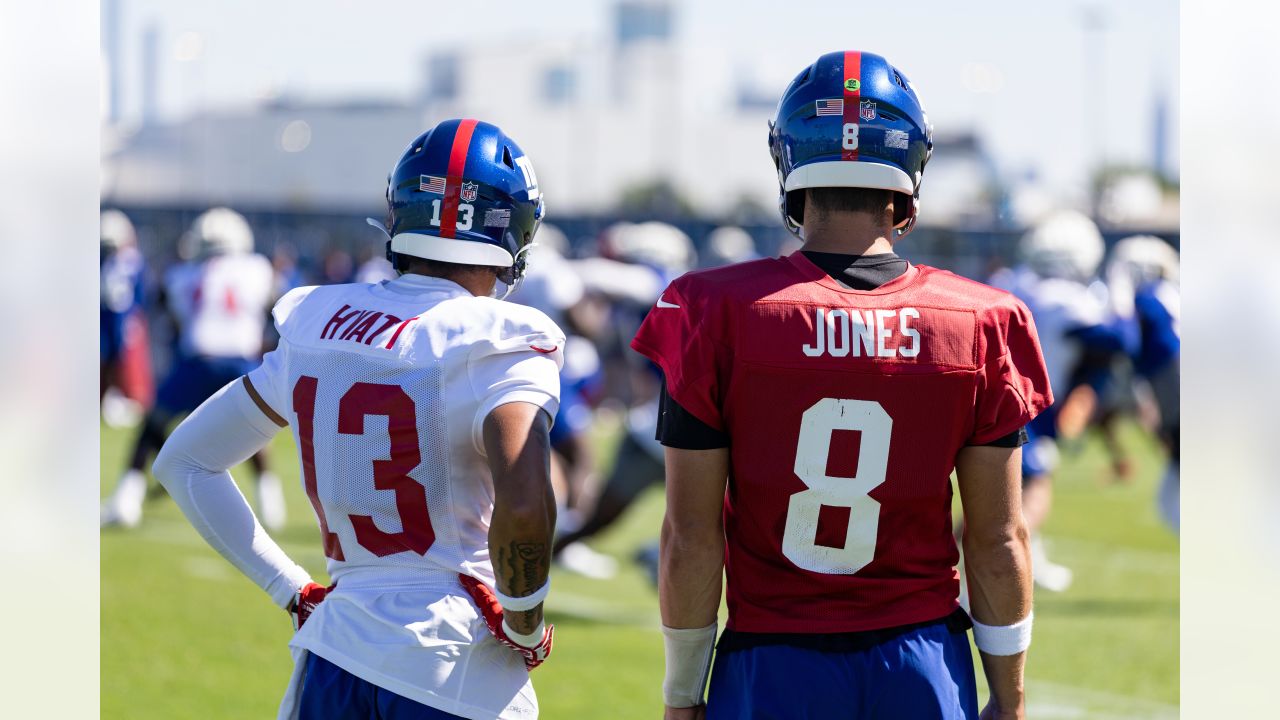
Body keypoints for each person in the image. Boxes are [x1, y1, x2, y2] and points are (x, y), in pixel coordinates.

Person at [632, 51, 1052, 720]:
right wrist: (1011, 698)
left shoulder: (712, 308)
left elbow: (690, 535)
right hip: (921, 662)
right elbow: (998, 541)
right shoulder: (982, 320)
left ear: (790, 163)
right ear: (911, 170)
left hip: (772, 661)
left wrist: (683, 695)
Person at [152, 118, 562, 720]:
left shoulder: (319, 321)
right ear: (514, 226)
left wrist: (289, 589)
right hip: (453, 666)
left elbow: (185, 461)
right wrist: (525, 626)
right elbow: (525, 507)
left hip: (334, 655)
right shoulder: (496, 337)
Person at [101, 207, 287, 530]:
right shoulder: (259, 269)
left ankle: (125, 502)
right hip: (240, 364)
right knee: (255, 436)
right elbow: (275, 314)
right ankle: (270, 504)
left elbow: (171, 315)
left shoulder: (183, 274)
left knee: (151, 430)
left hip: (196, 361)